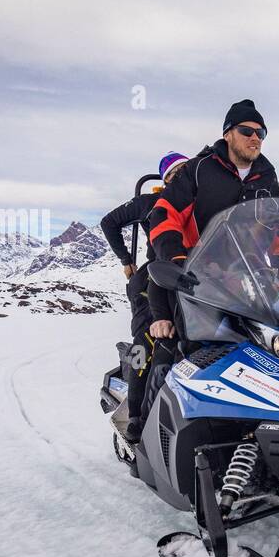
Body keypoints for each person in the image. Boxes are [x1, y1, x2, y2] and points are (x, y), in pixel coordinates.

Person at [146, 99, 279, 344]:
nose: (255, 138)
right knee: (180, 350)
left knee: (276, 346)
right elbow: (165, 216)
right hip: (196, 281)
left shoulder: (268, 180)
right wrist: (177, 260)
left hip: (251, 284)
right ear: (228, 134)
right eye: (246, 131)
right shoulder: (198, 170)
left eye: (260, 133)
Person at [104, 152, 188, 443]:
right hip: (152, 281)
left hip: (189, 282)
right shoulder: (152, 203)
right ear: (165, 180)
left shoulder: (197, 206)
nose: (182, 176)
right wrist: (126, 260)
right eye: (175, 172)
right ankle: (137, 418)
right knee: (147, 344)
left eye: (187, 170)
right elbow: (109, 222)